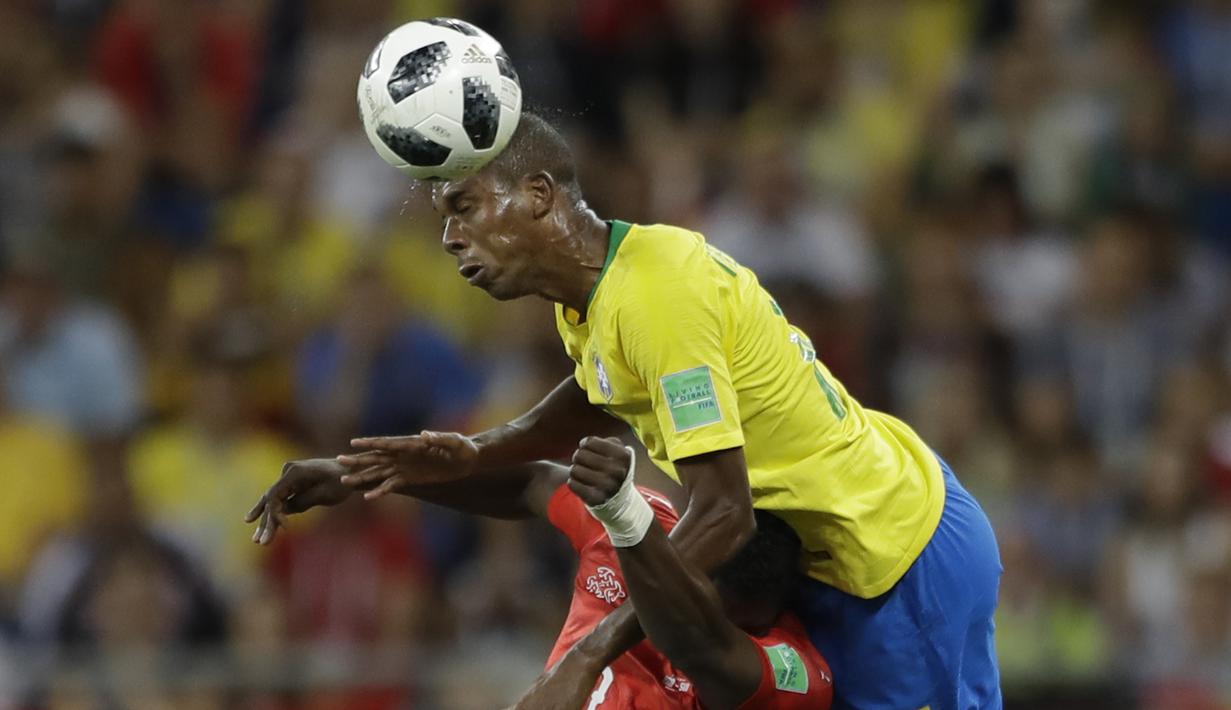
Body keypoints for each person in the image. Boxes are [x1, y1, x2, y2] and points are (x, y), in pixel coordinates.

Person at [284, 112, 1002, 709]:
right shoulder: (595, 300)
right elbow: (602, 388)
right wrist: (480, 451)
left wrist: (588, 658)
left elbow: (725, 512)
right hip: (830, 552)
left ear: (537, 194)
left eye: (464, 208)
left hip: (894, 554)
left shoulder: (655, 296)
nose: (448, 238)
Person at [246, 437, 832, 709]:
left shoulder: (796, 673)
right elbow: (532, 483)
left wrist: (587, 656)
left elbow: (703, 645)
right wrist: (363, 476)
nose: (670, 604)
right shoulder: (645, 536)